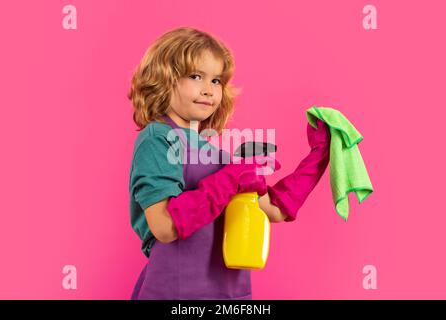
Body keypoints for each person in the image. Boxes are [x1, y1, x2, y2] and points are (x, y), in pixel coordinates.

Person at [127, 27, 330, 300]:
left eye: (216, 81)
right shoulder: (157, 137)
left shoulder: (215, 154)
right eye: (196, 76)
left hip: (231, 295)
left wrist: (319, 155)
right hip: (176, 292)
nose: (209, 90)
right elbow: (164, 225)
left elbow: (273, 209)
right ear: (165, 78)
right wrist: (231, 179)